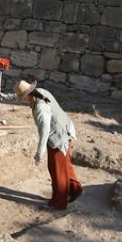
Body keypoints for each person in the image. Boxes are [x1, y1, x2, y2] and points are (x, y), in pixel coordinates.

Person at [13, 79, 83, 209]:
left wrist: (40, 151)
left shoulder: (40, 107)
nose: (23, 100)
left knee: (56, 169)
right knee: (65, 164)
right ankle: (74, 189)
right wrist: (2, 96)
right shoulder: (41, 92)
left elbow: (45, 130)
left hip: (58, 137)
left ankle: (59, 202)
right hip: (66, 128)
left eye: (23, 97)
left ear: (28, 95)